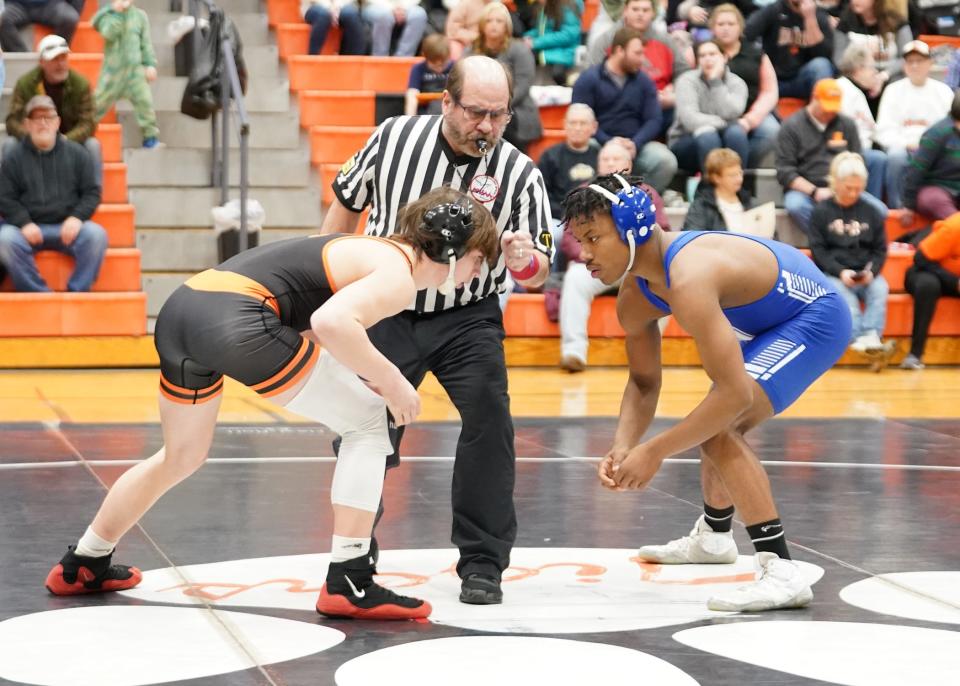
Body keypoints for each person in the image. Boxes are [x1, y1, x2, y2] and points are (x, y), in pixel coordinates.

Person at [44, 186, 499, 622]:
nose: (478, 273)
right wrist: (394, 382)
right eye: (479, 259)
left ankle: (85, 560)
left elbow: (320, 327)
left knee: (181, 456)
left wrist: (369, 375)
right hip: (236, 316)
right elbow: (331, 320)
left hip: (184, 311)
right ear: (451, 250)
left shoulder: (373, 250)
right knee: (368, 423)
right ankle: (350, 580)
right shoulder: (398, 273)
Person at [321, 55, 555, 605]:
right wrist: (324, 280)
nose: (489, 128)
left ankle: (483, 562)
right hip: (386, 305)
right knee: (364, 428)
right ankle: (354, 557)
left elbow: (539, 270)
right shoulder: (393, 138)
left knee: (490, 420)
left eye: (500, 116)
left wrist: (522, 260)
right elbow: (344, 207)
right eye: (477, 113)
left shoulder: (520, 171)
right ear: (446, 102)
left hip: (467, 314)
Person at [561, 173, 851, 611]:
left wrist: (655, 451)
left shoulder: (690, 275)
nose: (583, 255)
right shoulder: (635, 296)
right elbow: (643, 382)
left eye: (593, 239)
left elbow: (733, 396)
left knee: (720, 424)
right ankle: (715, 538)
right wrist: (624, 446)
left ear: (634, 228)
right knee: (712, 419)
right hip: (765, 323)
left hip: (815, 317)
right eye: (579, 240)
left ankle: (782, 570)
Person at [558, 143, 669, 371]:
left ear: (628, 165)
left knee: (663, 278)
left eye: (615, 158)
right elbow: (569, 235)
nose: (609, 163)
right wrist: (585, 252)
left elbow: (662, 230)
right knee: (575, 278)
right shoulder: (584, 195)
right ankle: (574, 351)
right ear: (597, 164)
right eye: (605, 159)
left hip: (638, 265)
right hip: (595, 264)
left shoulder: (645, 194)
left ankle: (649, 355)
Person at [0, 96, 107, 294]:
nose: (43, 123)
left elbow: (92, 192)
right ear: (27, 124)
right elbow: (5, 197)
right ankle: (39, 294)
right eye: (37, 118)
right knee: (5, 239)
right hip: (27, 230)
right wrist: (23, 223)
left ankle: (76, 292)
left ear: (57, 122)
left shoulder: (78, 154)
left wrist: (76, 218)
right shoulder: (13, 157)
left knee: (96, 235)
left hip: (67, 228)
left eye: (48, 117)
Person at [572, 27, 678, 192]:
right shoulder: (589, 79)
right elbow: (581, 117)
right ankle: (591, 199)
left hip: (636, 145)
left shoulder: (644, 81)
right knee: (584, 148)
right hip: (599, 143)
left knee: (665, 160)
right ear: (619, 50)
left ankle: (638, 199)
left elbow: (654, 119)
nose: (642, 59)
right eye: (637, 53)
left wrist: (635, 143)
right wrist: (608, 141)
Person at [776, 78, 887, 235]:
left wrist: (847, 190)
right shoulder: (791, 126)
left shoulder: (847, 124)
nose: (830, 112)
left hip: (843, 187)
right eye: (826, 107)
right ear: (814, 98)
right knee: (795, 205)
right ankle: (828, 239)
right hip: (807, 191)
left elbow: (857, 160)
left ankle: (854, 240)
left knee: (879, 210)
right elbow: (785, 172)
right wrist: (815, 192)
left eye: (834, 108)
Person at [808, 152, 890, 354]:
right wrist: (840, 271)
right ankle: (856, 339)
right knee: (845, 297)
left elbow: (880, 248)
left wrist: (872, 271)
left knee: (880, 289)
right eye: (849, 188)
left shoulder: (871, 211)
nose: (854, 193)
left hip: (865, 272)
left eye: (859, 188)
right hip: (834, 273)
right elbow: (818, 250)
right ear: (835, 183)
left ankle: (871, 335)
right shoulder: (821, 211)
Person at [5, 35, 102, 186]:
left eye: (64, 58)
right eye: (55, 59)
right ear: (42, 62)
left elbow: (89, 123)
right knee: (10, 144)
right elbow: (12, 121)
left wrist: (65, 140)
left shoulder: (81, 84)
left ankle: (93, 197)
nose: (61, 64)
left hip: (69, 140)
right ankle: (7, 200)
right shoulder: (25, 84)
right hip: (35, 138)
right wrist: (33, 137)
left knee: (93, 145)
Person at [875, 40, 954, 210]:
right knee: (896, 157)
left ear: (930, 64)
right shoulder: (893, 90)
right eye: (911, 61)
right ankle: (898, 208)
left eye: (920, 61)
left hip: (934, 149)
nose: (915, 66)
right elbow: (883, 130)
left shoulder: (943, 91)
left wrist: (927, 146)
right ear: (904, 66)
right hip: (902, 146)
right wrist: (906, 143)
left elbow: (951, 128)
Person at [464, 2, 543, 152]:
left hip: (515, 108)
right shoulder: (470, 51)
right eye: (489, 21)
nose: (494, 25)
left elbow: (523, 85)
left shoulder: (520, 50)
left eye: (499, 21)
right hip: (476, 106)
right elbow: (462, 81)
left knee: (503, 122)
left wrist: (498, 107)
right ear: (482, 25)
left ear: (507, 25)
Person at [709, 4, 780, 168]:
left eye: (731, 24)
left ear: (740, 27)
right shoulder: (702, 51)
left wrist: (750, 120)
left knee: (772, 132)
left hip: (750, 111)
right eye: (721, 24)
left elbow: (770, 92)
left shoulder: (756, 54)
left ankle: (743, 169)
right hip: (712, 113)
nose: (726, 29)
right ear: (713, 27)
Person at [667, 39, 748, 175]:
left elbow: (732, 111)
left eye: (712, 54)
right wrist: (724, 123)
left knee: (736, 134)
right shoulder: (686, 81)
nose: (707, 59)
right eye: (702, 56)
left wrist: (715, 82)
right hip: (686, 140)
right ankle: (710, 191)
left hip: (722, 138)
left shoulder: (737, 83)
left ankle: (737, 186)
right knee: (708, 136)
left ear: (725, 57)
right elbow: (690, 121)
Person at [92, 0, 161, 149]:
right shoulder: (108, 16)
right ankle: (82, 132)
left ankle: (150, 137)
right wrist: (116, 13)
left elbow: (146, 43)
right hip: (113, 73)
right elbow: (108, 33)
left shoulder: (140, 16)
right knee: (97, 103)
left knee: (145, 102)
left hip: (135, 72)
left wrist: (150, 64)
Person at [901, 212, 960, 370]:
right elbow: (920, 259)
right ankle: (915, 354)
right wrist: (955, 282)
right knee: (928, 286)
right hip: (926, 271)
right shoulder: (954, 226)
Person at [745, 0, 835, 99]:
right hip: (773, 81)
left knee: (821, 65)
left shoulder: (819, 15)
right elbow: (746, 34)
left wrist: (810, 18)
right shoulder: (774, 10)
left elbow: (825, 56)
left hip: (802, 79)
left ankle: (820, 110)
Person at [899, 90, 960, 224]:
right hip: (935, 188)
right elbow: (916, 169)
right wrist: (908, 204)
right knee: (936, 201)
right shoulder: (937, 133)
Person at [833, 0, 912, 85]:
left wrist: (885, 74)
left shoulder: (896, 21)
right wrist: (860, 74)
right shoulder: (846, 21)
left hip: (891, 78)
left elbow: (907, 56)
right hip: (857, 79)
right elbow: (839, 58)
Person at [681, 147, 755, 231]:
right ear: (716, 178)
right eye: (732, 175)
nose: (739, 179)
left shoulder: (748, 201)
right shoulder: (701, 206)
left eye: (740, 173)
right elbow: (693, 237)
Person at [521, 0, 582, 86]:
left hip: (564, 51)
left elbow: (569, 35)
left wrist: (535, 42)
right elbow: (542, 30)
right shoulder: (545, 6)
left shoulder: (569, 5)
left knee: (556, 73)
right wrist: (527, 36)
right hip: (548, 49)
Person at [0, 0, 79, 53]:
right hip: (16, 4)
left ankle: (56, 55)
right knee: (2, 19)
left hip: (51, 4)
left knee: (70, 18)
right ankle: (24, 58)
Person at [405, 33, 453, 116]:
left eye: (443, 65)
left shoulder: (455, 67)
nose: (439, 69)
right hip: (426, 111)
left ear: (449, 57)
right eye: (434, 65)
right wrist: (410, 119)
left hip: (449, 108)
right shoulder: (418, 68)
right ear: (425, 57)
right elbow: (412, 94)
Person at [362, 0, 428, 57]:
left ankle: (402, 60)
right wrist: (391, 8)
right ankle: (379, 58)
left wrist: (403, 7)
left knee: (419, 14)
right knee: (384, 16)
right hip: (375, 5)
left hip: (406, 6)